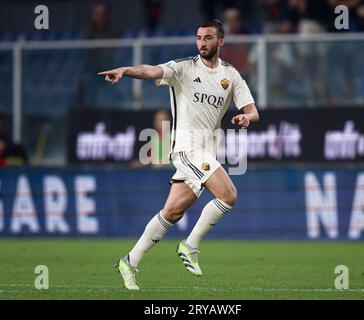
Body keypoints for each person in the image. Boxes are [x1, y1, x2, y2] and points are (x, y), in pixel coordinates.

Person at [98, 19, 259, 290]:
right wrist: (126, 70)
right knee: (229, 195)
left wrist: (247, 117)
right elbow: (150, 71)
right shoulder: (184, 68)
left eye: (208, 38)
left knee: (171, 212)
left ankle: (130, 261)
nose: (202, 43)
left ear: (220, 41)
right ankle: (191, 246)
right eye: (198, 38)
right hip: (186, 149)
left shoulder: (230, 75)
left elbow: (253, 110)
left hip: (206, 150)